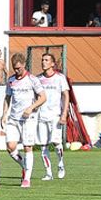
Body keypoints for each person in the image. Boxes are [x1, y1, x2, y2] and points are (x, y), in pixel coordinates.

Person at [3, 53, 46, 188]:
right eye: (15, 68)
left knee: (28, 147)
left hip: (28, 118)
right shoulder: (11, 80)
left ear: (24, 65)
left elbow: (43, 97)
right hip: (14, 118)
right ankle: (24, 166)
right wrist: (4, 113)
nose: (17, 71)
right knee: (10, 147)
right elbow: (7, 98)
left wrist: (31, 107)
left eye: (19, 68)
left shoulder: (32, 79)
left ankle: (27, 179)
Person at [36, 52, 70, 180]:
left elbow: (66, 95)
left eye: (46, 60)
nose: (43, 62)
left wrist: (64, 113)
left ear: (52, 63)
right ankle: (48, 172)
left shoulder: (60, 78)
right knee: (43, 145)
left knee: (56, 142)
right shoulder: (38, 79)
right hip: (41, 115)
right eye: (42, 60)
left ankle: (60, 163)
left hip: (55, 114)